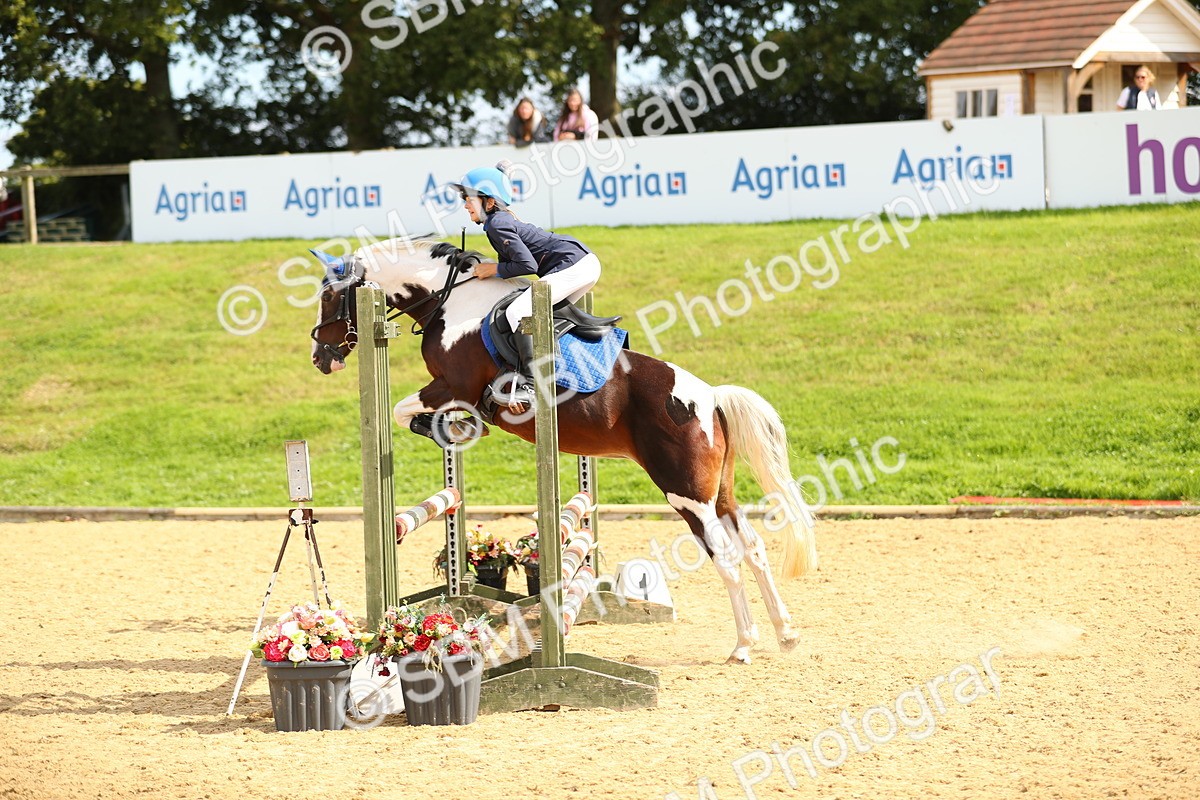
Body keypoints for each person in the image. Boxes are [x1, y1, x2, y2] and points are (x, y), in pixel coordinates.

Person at [450, 161, 602, 411]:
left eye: (470, 198)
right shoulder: (498, 220)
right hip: (581, 263)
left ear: (489, 202)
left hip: (573, 264)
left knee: (517, 312)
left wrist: (493, 270)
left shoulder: (497, 223)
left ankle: (530, 385)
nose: (465, 204)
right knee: (542, 317)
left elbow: (526, 264)